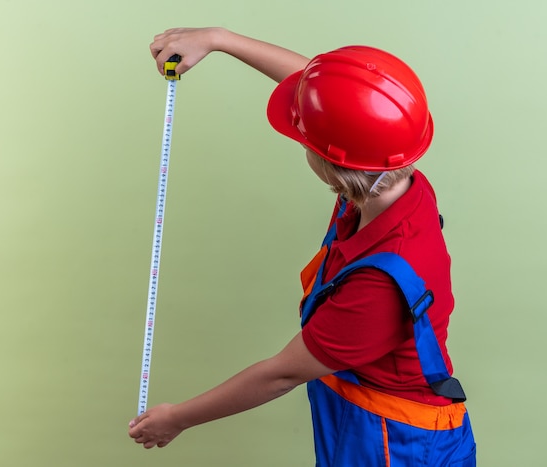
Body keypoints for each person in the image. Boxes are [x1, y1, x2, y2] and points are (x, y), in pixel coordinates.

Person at [129, 27, 476, 466]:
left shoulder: (380, 282)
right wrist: (218, 40)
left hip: (396, 445)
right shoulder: (395, 182)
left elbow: (282, 374)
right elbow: (332, 97)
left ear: (332, 165)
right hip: (366, 417)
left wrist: (176, 418)